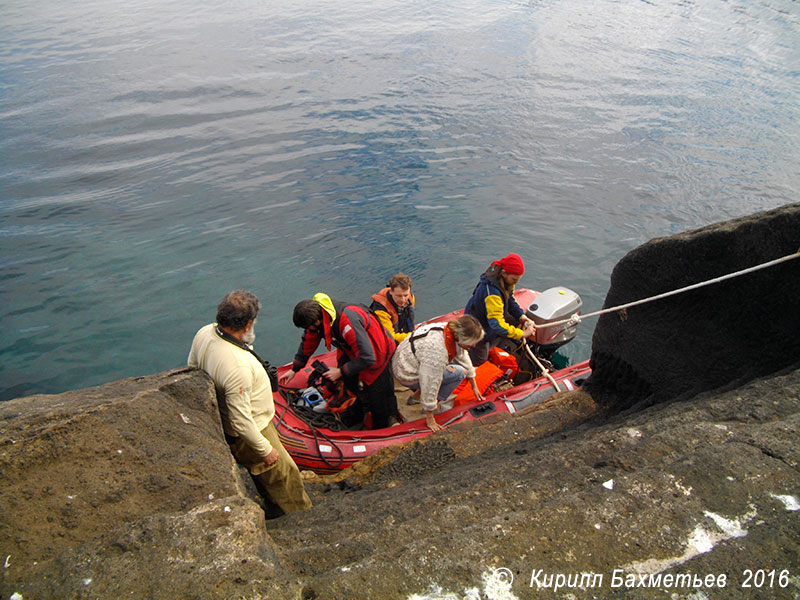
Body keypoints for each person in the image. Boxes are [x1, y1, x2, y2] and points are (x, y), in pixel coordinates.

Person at [188, 290, 311, 516]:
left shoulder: (205, 333)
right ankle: (299, 516)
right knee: (283, 473)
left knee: (263, 475)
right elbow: (241, 420)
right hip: (253, 428)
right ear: (247, 325)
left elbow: (192, 368)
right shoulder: (237, 366)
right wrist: (265, 449)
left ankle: (275, 508)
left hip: (237, 422)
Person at [278, 293, 398, 429]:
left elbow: (368, 357)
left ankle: (384, 424)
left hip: (378, 353)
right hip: (350, 349)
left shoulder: (347, 321)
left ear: (316, 322)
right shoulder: (319, 318)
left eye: (308, 328)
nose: (307, 331)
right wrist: (295, 368)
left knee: (379, 398)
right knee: (348, 384)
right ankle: (355, 417)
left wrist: (340, 371)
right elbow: (308, 343)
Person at [391, 315, 485, 432]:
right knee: (459, 373)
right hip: (407, 374)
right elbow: (430, 381)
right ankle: (432, 405)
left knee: (448, 369)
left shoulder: (446, 330)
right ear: (463, 340)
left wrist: (474, 386)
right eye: (472, 343)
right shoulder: (437, 352)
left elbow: (462, 355)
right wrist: (430, 415)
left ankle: (416, 397)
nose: (474, 346)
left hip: (405, 362)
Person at [464, 253, 536, 366]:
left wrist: (521, 316)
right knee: (479, 361)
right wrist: (522, 334)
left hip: (484, 319)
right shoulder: (492, 294)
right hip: (476, 329)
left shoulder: (503, 281)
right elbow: (497, 325)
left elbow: (510, 300)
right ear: (504, 273)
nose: (516, 282)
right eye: (514, 279)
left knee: (512, 321)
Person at [370, 273, 416, 343]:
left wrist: (412, 333)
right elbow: (390, 336)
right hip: (384, 340)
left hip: (400, 331)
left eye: (405, 295)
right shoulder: (380, 309)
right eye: (399, 296)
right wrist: (414, 336)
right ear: (391, 291)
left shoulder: (410, 298)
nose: (403, 300)